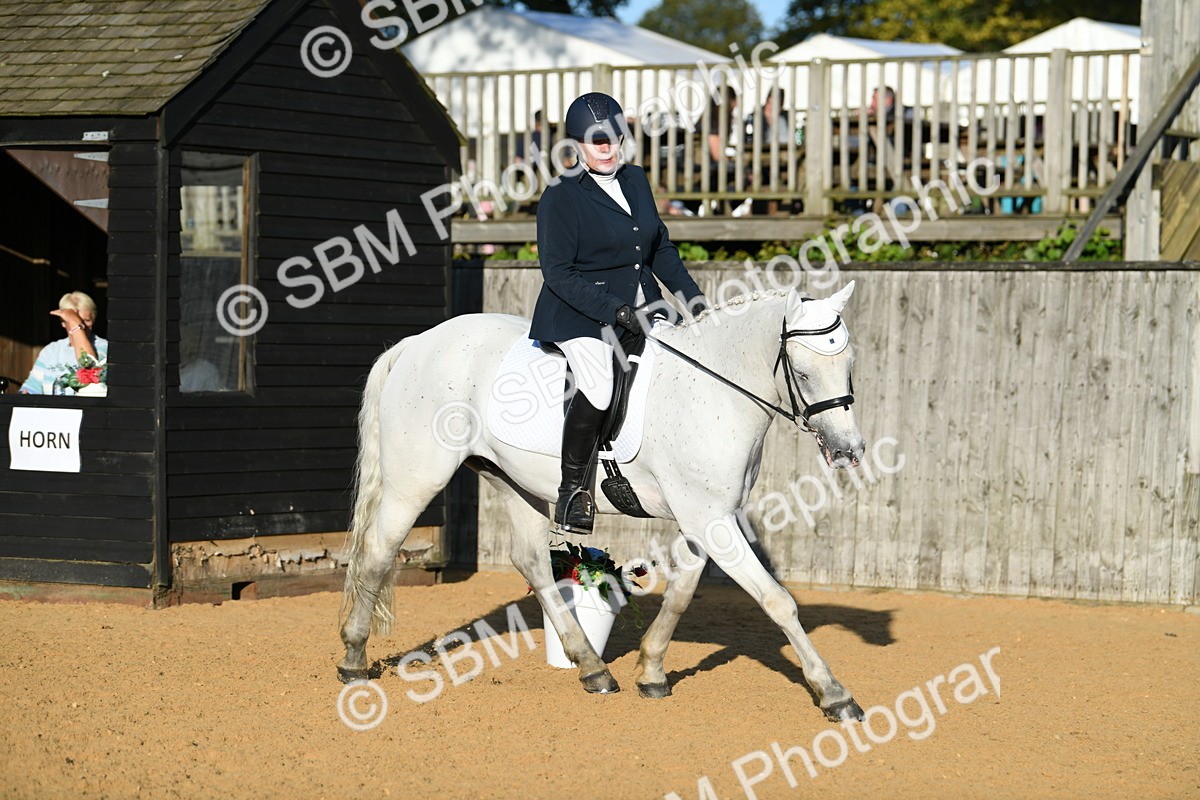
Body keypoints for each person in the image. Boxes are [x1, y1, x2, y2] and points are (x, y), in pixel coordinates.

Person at [530, 92, 709, 535]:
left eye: (613, 138)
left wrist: (693, 298)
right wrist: (619, 312)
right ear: (577, 145)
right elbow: (558, 273)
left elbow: (658, 248)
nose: (606, 148)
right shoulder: (560, 195)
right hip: (581, 313)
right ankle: (573, 493)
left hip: (643, 306)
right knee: (597, 384)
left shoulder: (636, 180)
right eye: (595, 142)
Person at [19, 291, 109, 395]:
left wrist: (75, 325)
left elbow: (89, 368)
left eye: (86, 321)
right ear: (63, 323)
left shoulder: (103, 346)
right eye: (76, 321)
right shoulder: (51, 350)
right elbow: (31, 389)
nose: (82, 327)